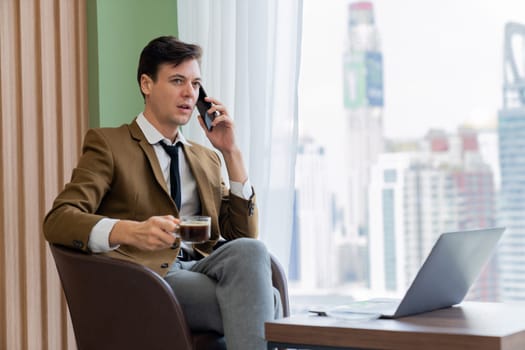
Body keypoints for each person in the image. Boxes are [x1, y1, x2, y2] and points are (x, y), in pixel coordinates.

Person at [43, 35, 280, 349]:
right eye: (177, 80)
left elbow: (242, 237)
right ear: (146, 84)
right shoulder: (109, 145)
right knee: (268, 302)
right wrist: (130, 231)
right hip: (148, 278)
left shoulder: (206, 158)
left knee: (254, 252)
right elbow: (58, 219)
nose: (189, 93)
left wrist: (231, 153)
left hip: (202, 266)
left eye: (196, 84)